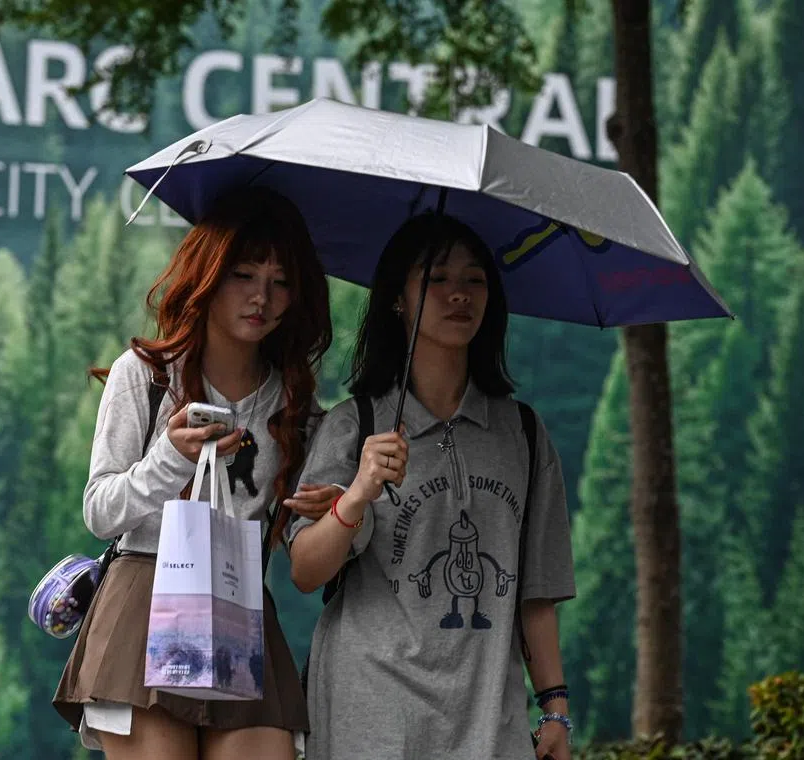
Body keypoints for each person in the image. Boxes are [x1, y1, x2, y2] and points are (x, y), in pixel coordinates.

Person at [53, 186, 339, 760]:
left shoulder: (297, 405)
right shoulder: (147, 374)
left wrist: (332, 506)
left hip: (240, 607)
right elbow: (100, 511)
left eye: (281, 282)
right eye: (243, 275)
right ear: (207, 274)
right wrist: (171, 458)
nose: (262, 297)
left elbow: (301, 544)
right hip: (143, 599)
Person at [288, 213, 576, 760]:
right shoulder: (355, 424)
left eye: (474, 280)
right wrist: (360, 490)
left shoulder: (523, 434)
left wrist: (554, 707)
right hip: (370, 703)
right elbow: (305, 569)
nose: (459, 295)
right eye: (437, 278)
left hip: (489, 708)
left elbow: (535, 590)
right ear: (399, 298)